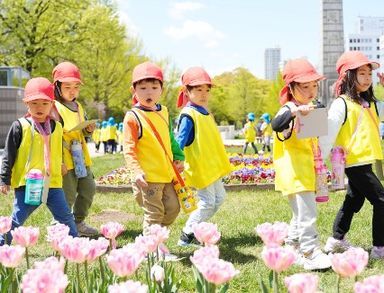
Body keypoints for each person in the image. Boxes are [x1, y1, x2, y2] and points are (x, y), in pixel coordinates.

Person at [320, 51, 384, 259]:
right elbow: (328, 133)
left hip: (365, 160)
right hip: (354, 162)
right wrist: (319, 161)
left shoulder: (370, 103)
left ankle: (336, 240)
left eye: (369, 74)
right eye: (362, 73)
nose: (367, 78)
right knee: (381, 200)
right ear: (348, 76)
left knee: (354, 200)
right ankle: (379, 248)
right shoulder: (342, 103)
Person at [0, 77, 77, 245]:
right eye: (34, 103)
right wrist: (4, 179)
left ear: (52, 104)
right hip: (28, 184)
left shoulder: (56, 126)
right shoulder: (20, 126)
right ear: (26, 104)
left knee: (65, 217)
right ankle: (2, 243)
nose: (39, 108)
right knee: (17, 219)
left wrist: (61, 163)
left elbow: (56, 149)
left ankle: (75, 244)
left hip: (53, 184)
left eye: (44, 103)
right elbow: (8, 154)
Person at [271, 58, 331, 270]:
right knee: (308, 213)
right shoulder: (288, 108)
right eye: (304, 87)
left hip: (307, 169)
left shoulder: (311, 106)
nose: (311, 91)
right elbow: (277, 124)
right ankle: (310, 251)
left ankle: (292, 248)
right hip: (294, 170)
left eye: (314, 85)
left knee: (299, 213)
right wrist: (295, 112)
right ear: (291, 88)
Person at [123, 61, 184, 235]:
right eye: (142, 88)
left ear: (161, 90)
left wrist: (179, 157)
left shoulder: (163, 111)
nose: (149, 92)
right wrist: (136, 171)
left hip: (167, 174)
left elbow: (170, 137)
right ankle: (153, 248)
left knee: (173, 209)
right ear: (133, 90)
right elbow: (129, 147)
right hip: (148, 177)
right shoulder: (133, 117)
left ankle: (156, 239)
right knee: (154, 213)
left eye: (154, 87)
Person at [175, 67, 232, 246]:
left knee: (219, 199)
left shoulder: (205, 113)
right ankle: (187, 233)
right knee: (207, 202)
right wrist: (177, 160)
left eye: (207, 90)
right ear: (187, 92)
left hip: (211, 167)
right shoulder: (188, 115)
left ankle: (197, 230)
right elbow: (179, 141)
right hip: (200, 166)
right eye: (198, 89)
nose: (204, 94)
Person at [51, 61, 98, 237]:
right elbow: (51, 138)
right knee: (67, 195)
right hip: (65, 160)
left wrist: (87, 130)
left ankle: (78, 222)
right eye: (68, 87)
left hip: (81, 157)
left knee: (88, 189)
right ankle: (59, 226)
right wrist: (59, 162)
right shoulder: (54, 108)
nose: (72, 91)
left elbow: (82, 133)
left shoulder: (79, 107)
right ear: (57, 87)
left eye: (76, 87)